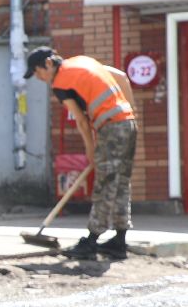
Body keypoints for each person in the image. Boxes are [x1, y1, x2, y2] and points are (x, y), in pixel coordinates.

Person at [26, 47, 137, 259]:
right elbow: (121, 77)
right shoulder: (84, 61)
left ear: (49, 63)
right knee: (121, 183)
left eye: (38, 72)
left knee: (105, 184)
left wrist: (90, 150)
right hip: (127, 124)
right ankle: (119, 241)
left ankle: (91, 241)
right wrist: (131, 112)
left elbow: (81, 120)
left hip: (111, 128)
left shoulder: (61, 83)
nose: (39, 78)